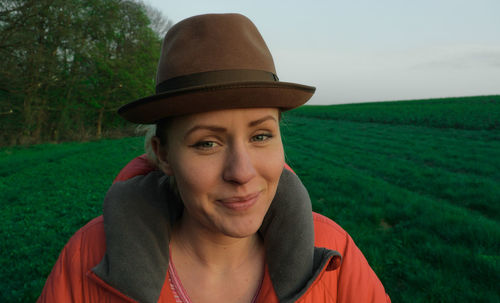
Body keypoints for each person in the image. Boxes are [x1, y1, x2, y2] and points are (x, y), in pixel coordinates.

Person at [38, 13, 391, 303]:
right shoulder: (86, 255)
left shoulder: (334, 253)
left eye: (261, 136)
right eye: (207, 143)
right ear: (164, 155)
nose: (241, 171)